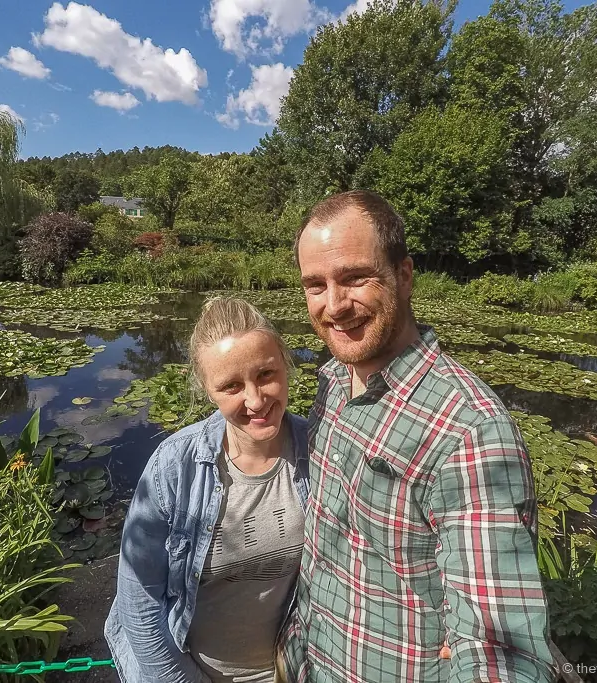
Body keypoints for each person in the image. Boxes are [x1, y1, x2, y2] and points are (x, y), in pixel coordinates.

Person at [284, 190, 557, 683]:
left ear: (404, 275)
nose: (334, 305)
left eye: (354, 278)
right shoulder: (333, 380)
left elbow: (498, 648)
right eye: (315, 285)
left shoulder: (470, 431)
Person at [105, 297, 310, 683]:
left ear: (285, 364)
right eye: (231, 386)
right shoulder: (174, 467)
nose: (255, 399)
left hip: (295, 670)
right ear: (207, 390)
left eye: (266, 374)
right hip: (190, 672)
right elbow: (139, 603)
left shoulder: (320, 450)